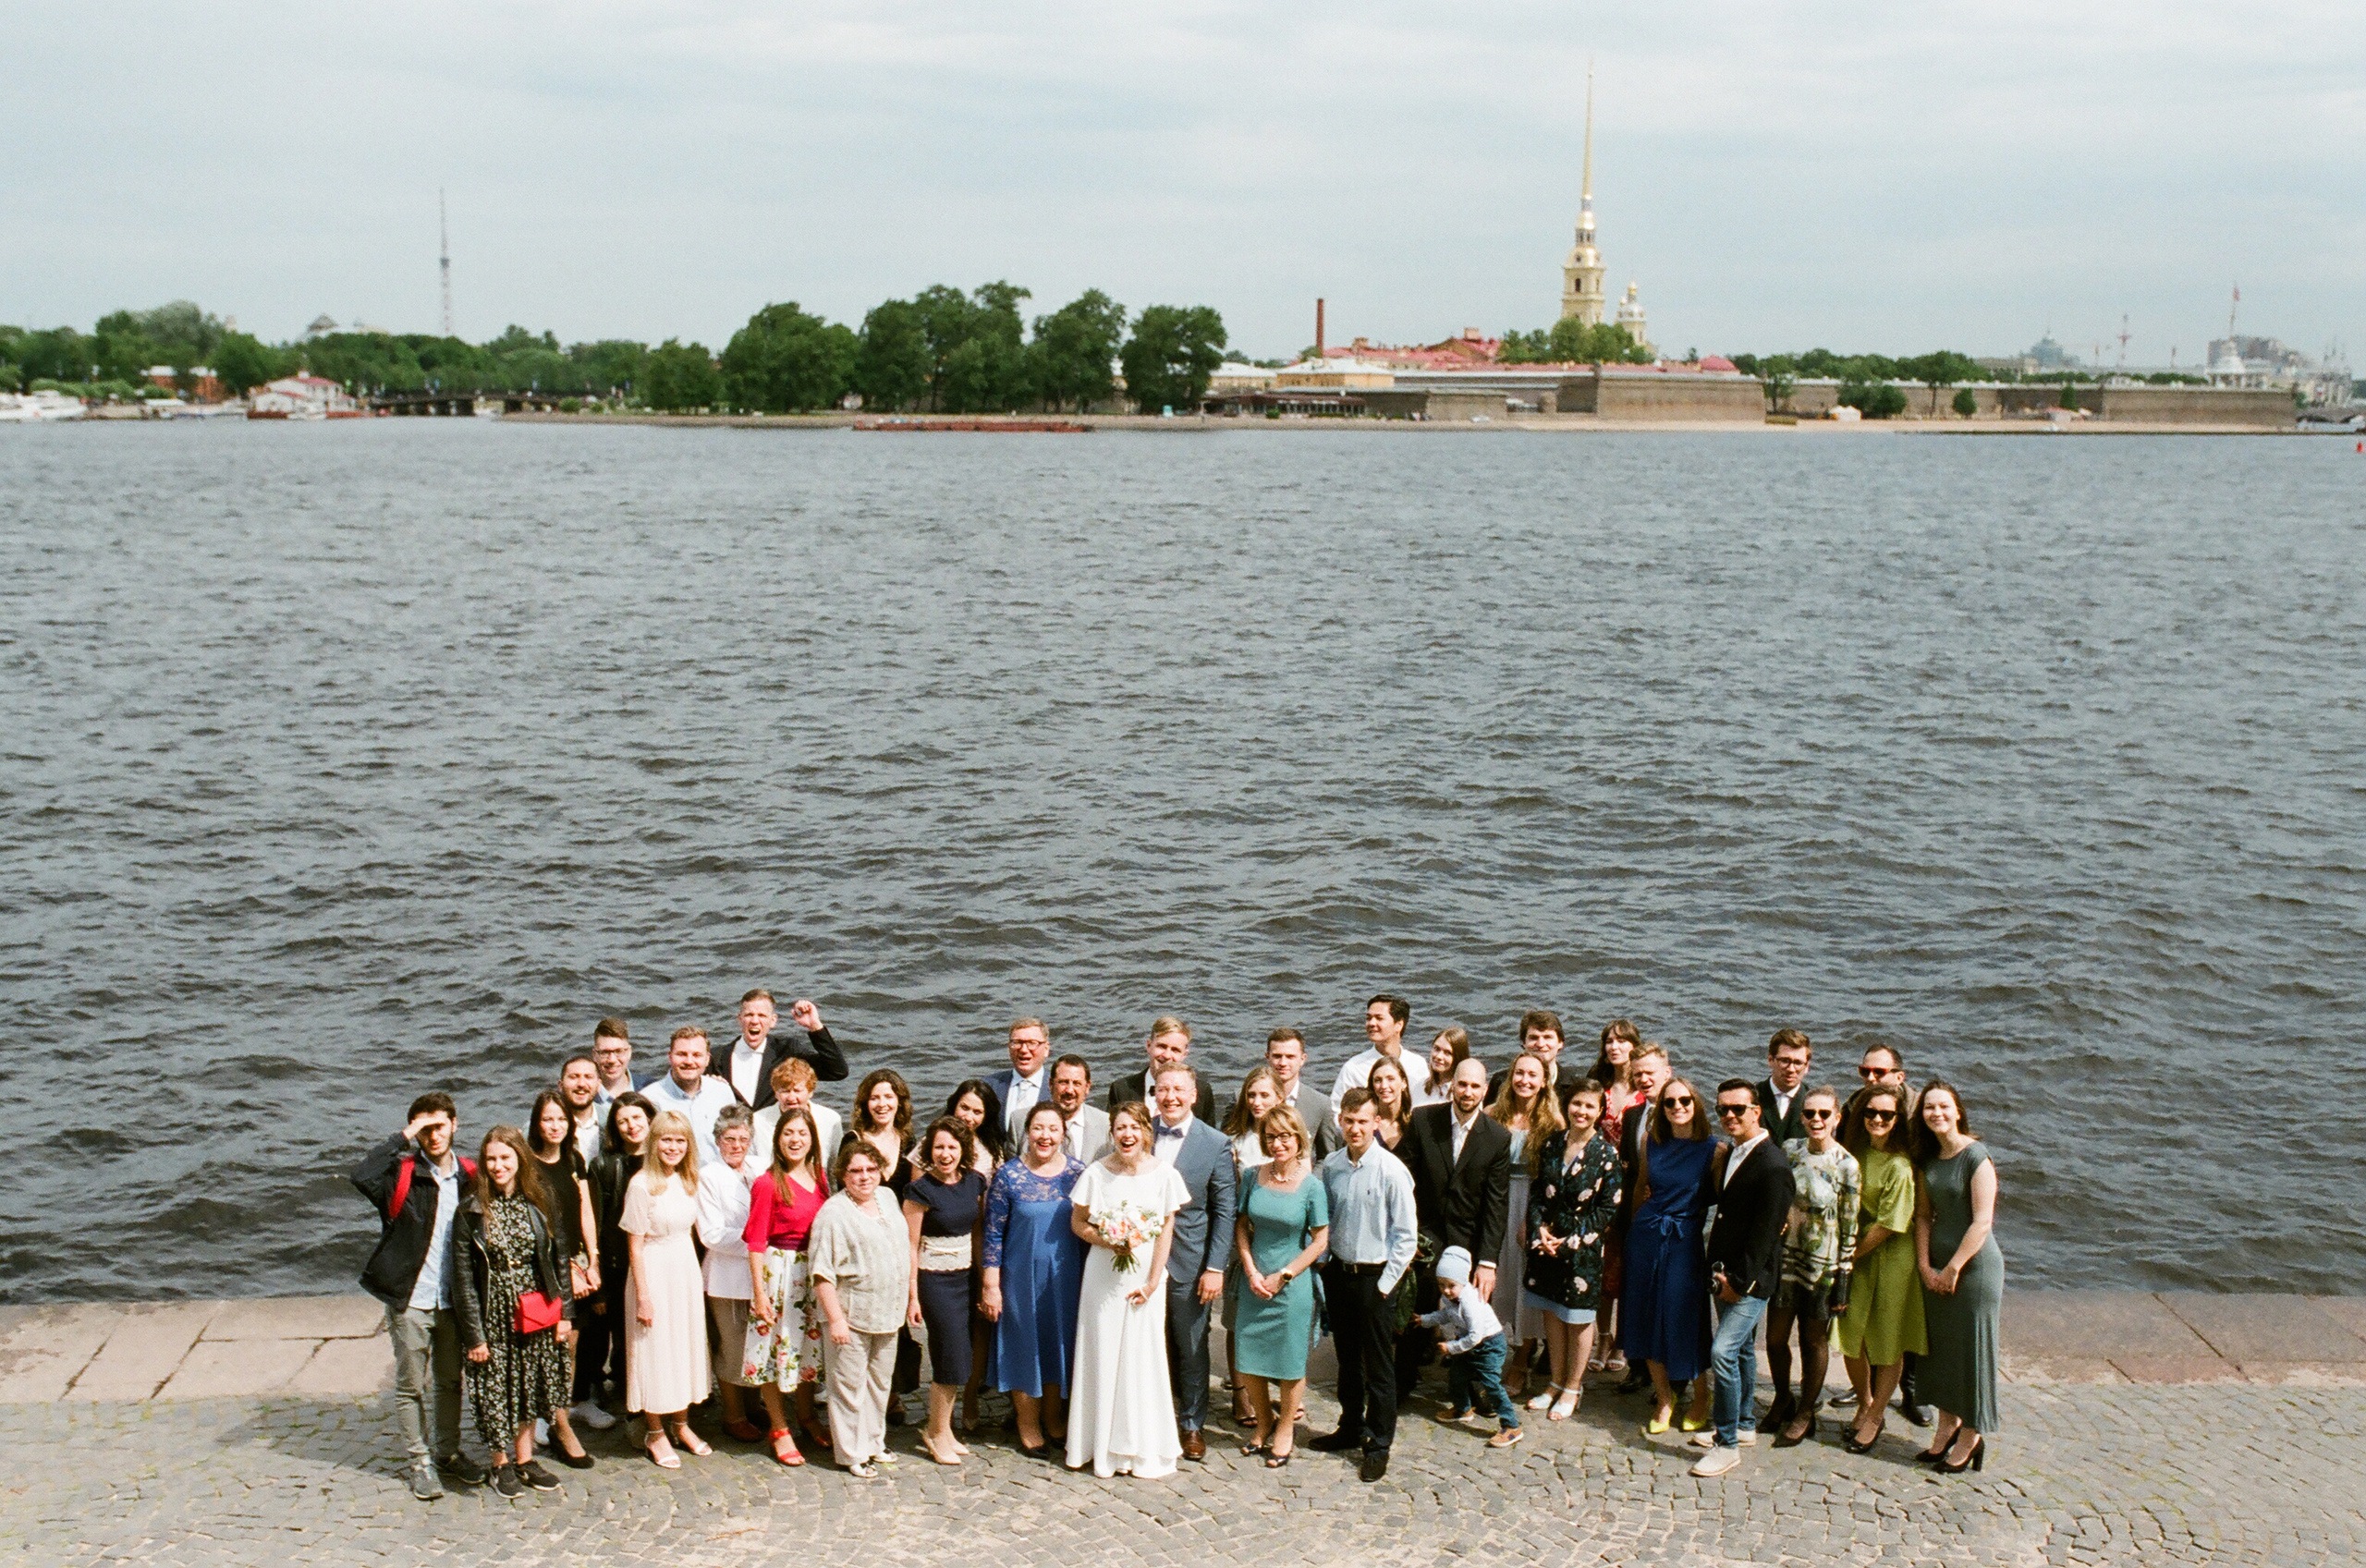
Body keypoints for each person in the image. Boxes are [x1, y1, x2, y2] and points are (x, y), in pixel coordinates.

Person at [350, 1092, 483, 1501]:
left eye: (439, 1126)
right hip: (411, 1298)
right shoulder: (402, 1174)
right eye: (424, 1129)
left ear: (455, 1125)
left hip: (453, 1300)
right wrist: (403, 1136)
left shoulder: (470, 1176)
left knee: (450, 1381)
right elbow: (362, 1174)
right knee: (411, 1385)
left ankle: (448, 1452)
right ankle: (420, 1461)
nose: (433, 1136)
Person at [1066, 1101, 1190, 1478]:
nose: (1127, 1135)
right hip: (1103, 1275)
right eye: (1120, 1128)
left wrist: (1153, 1281)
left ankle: (1142, 1447)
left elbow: (1166, 1230)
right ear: (1112, 1133)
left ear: (1146, 1133)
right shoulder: (1096, 1173)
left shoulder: (1165, 1174)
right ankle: (1099, 1447)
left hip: (1145, 1278)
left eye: (1134, 1127)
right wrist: (1108, 1239)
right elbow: (1078, 1223)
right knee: (1102, 1352)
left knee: (1143, 1355)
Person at [453, 1125, 575, 1498]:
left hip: (535, 1306)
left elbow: (560, 1257)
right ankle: (500, 1462)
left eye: (505, 1157)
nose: (498, 1166)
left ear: (520, 1158)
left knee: (530, 1383)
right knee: (495, 1387)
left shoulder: (540, 1199)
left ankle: (525, 1459)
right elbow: (462, 1277)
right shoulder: (471, 1209)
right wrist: (474, 1335)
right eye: (490, 1159)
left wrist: (565, 1312)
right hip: (493, 1309)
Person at [1689, 1081, 1796, 1478]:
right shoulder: (1733, 1152)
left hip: (1748, 1279)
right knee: (1744, 1350)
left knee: (1723, 1352)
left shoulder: (1773, 1165)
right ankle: (1745, 1424)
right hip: (1723, 1270)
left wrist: (1739, 1281)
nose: (1729, 1116)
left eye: (1738, 1109)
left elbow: (1766, 1235)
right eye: (1723, 1110)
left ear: (1757, 1111)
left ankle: (1727, 1443)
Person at [1312, 1089, 1418, 1484]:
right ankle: (1350, 1426)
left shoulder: (1391, 1170)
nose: (1355, 1128)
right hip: (1340, 1273)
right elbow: (1326, 1219)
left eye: (1363, 1121)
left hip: (1377, 1278)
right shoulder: (1332, 1166)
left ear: (1377, 1123)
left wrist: (1385, 1286)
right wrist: (1324, 1264)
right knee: (1347, 1359)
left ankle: (1378, 1443)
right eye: (1349, 1121)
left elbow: (1406, 1236)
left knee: (1379, 1366)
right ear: (1340, 1121)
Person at [1398, 1057, 1511, 1404]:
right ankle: (1402, 1380)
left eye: (1475, 1086)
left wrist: (1488, 1261)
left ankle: (1474, 1389)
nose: (1468, 1092)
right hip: (1426, 1231)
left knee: (1472, 1314)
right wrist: (1407, 1236)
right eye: (1462, 1084)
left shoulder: (1497, 1137)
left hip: (1469, 1238)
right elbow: (1400, 1179)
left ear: (1485, 1090)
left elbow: (1496, 1204)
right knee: (1417, 1304)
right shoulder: (1423, 1120)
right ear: (1452, 1086)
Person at [982, 1102, 1088, 1456]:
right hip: (1019, 1278)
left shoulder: (1078, 1172)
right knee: (1024, 1345)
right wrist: (991, 1285)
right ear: (1027, 1132)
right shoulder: (1008, 1175)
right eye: (1038, 1128)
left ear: (1063, 1134)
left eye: (1053, 1129)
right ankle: (1027, 1424)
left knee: (1059, 1343)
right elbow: (993, 1234)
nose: (1045, 1136)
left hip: (1065, 1277)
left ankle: (1054, 1419)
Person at [1230, 1104, 1330, 1466]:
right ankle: (1264, 1422)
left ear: (1299, 1138)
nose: (1278, 1143)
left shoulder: (1312, 1186)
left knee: (1290, 1365)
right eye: (1271, 1136)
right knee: (1248, 1360)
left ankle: (1285, 1428)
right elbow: (1242, 1226)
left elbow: (1320, 1241)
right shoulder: (1252, 1177)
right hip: (1254, 1281)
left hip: (1291, 1287)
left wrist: (1284, 1275)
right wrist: (1251, 1270)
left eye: (1285, 1136)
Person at [1910, 1082, 2002, 1473]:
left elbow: (1982, 1222)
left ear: (1958, 1111)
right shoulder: (1929, 1159)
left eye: (1944, 1106)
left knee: (1973, 1351)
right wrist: (1924, 1266)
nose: (1937, 1113)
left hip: (1975, 1270)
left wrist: (1953, 1268)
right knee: (1942, 1350)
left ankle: (1972, 1434)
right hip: (1936, 1266)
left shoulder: (1976, 1156)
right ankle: (1947, 1425)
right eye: (1929, 1107)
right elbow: (1923, 1217)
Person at [808, 1141, 913, 1479]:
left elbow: (903, 1248)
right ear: (843, 1175)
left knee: (879, 1383)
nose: (864, 1177)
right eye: (855, 1171)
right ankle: (851, 1453)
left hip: (887, 1311)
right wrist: (836, 1319)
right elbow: (822, 1273)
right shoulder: (833, 1214)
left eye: (871, 1169)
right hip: (850, 1315)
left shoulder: (888, 1198)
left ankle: (874, 1441)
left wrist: (912, 1298)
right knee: (848, 1386)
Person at [1760, 1085, 1858, 1447]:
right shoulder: (1790, 1150)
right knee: (1774, 1338)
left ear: (1836, 1118)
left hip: (1822, 1263)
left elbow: (1850, 1225)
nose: (1816, 1120)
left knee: (1812, 1340)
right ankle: (1782, 1397)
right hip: (1787, 1256)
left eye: (1824, 1114)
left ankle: (1805, 1412)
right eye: (1809, 1113)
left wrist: (1843, 1278)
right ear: (1801, 1117)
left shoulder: (1847, 1165)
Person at [1145, 1064, 1234, 1462]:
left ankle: (1192, 1423)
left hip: (1190, 1261)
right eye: (1163, 1090)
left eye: (1178, 1090)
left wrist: (1215, 1267)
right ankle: (1151, 1419)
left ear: (1194, 1095)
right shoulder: (1139, 1132)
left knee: (1192, 1345)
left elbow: (1224, 1210)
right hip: (1141, 1258)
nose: (1171, 1097)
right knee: (1146, 1341)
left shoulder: (1215, 1143)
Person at [1833, 1085, 1925, 1454]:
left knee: (1888, 1340)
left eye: (1886, 1115)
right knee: (1850, 1334)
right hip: (1858, 1252)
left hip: (1891, 1258)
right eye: (1871, 1112)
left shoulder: (1900, 1165)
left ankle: (1875, 1415)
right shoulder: (1855, 1153)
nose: (1877, 1120)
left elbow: (1889, 1223)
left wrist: (1849, 1256)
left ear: (1898, 1120)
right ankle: (1865, 1401)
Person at [1523, 1077, 1621, 1421]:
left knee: (1578, 1319)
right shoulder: (1552, 1143)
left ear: (1600, 1111)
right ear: (1567, 1105)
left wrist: (1572, 1239)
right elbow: (1538, 1191)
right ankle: (1555, 1382)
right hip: (1547, 1242)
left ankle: (1573, 1387)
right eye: (1576, 1103)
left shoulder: (1607, 1154)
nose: (1581, 1111)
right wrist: (1540, 1228)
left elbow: (1608, 1209)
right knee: (1552, 1312)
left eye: (1589, 1106)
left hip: (1583, 1249)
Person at [1622, 1076, 1714, 1435]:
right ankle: (1664, 1398)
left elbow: (1727, 1200)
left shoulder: (1714, 1149)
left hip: (1684, 1240)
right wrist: (1633, 1232)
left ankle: (1701, 1395)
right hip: (1646, 1236)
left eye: (1685, 1101)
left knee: (1684, 1318)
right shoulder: (1651, 1141)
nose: (1678, 1107)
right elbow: (1640, 1187)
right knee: (1645, 1315)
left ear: (1696, 1105)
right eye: (1669, 1102)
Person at [740, 1105, 828, 1465]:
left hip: (811, 1271)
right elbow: (755, 1242)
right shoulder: (767, 1182)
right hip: (778, 1272)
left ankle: (806, 1416)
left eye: (802, 1133)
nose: (795, 1140)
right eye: (788, 1133)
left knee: (807, 1347)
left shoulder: (820, 1177)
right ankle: (779, 1427)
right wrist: (760, 1294)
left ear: (812, 1140)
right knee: (773, 1350)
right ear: (777, 1139)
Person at [621, 1110, 710, 1468]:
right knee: (654, 1351)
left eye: (680, 1140)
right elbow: (635, 1246)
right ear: (653, 1142)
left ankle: (682, 1424)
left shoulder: (688, 1180)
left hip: (684, 1270)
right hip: (653, 1271)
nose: (673, 1147)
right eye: (666, 1140)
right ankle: (655, 1432)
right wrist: (643, 1296)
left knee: (682, 1348)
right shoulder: (641, 1184)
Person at [903, 1117, 987, 1465]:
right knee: (948, 1353)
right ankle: (935, 1432)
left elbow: (978, 1233)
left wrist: (984, 1280)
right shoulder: (920, 1191)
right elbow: (909, 1245)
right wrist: (912, 1296)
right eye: (939, 1147)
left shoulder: (974, 1182)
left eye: (952, 1147)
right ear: (929, 1151)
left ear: (963, 1150)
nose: (945, 1154)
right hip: (934, 1280)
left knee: (962, 1355)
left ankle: (945, 1429)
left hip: (966, 1277)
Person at [1854, 1041, 1928, 1426]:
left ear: (1899, 1076)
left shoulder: (1919, 1113)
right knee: (1862, 1328)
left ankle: (1909, 1393)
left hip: (1904, 1231)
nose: (1871, 1078)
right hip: (1869, 1234)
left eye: (1879, 1072)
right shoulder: (1858, 1106)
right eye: (1864, 1071)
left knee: (1898, 1328)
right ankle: (1867, 1395)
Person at [524, 1090, 598, 1465]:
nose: (555, 1126)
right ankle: (548, 1417)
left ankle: (559, 1413)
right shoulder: (528, 1165)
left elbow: (585, 1211)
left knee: (570, 1345)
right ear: (537, 1123)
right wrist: (568, 1267)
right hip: (547, 1267)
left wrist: (593, 1260)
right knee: (547, 1344)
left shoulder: (574, 1159)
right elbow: (538, 1225)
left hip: (579, 1264)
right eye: (547, 1119)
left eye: (561, 1119)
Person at [1484, 1050, 1563, 1399]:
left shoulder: (1552, 1123)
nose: (1525, 1081)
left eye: (1533, 1075)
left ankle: (1521, 1360)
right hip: (1495, 1201)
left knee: (1524, 1283)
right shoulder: (1492, 1115)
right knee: (1493, 1280)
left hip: (1531, 1202)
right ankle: (1487, 1352)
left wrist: (1535, 1220)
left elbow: (1554, 1179)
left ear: (1544, 1082)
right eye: (1519, 1073)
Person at [580, 1091, 652, 1420]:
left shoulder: (665, 1158)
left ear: (650, 1119)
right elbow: (595, 1224)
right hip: (618, 1264)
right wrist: (597, 1282)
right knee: (619, 1335)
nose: (631, 1126)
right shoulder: (604, 1165)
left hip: (658, 1260)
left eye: (637, 1117)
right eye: (623, 1121)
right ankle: (622, 1397)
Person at [1219, 1066, 1284, 1424]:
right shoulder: (1234, 1139)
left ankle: (1278, 1389)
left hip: (1278, 1237)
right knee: (1237, 1317)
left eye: (1264, 1095)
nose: (1257, 1102)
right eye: (1252, 1095)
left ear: (1279, 1098)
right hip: (1242, 1235)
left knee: (1276, 1315)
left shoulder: (1290, 1136)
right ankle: (1240, 1393)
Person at [697, 1103, 762, 1442]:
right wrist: (758, 1241)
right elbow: (711, 1234)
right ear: (718, 1140)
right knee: (733, 1345)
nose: (737, 1146)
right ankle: (733, 1414)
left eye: (743, 1139)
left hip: (761, 1274)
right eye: (729, 1139)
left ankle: (754, 1404)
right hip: (727, 1275)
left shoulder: (760, 1167)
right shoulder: (709, 1175)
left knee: (758, 1341)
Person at [1608, 1042, 1672, 1389]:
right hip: (1633, 1215)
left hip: (1669, 1217)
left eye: (1650, 1073)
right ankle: (1637, 1366)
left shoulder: (1680, 1111)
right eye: (1638, 1075)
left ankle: (1667, 1369)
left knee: (1663, 1295)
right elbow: (1628, 1167)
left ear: (1667, 1073)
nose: (1644, 1079)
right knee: (1632, 1291)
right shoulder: (1632, 1114)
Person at [1418, 1246, 1520, 1448]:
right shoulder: (1450, 1297)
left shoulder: (1470, 1302)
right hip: (1469, 1344)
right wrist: (1423, 1320)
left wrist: (1451, 1347)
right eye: (1441, 1285)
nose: (1446, 1290)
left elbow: (1476, 1336)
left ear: (1463, 1282)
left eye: (1451, 1285)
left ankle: (1511, 1425)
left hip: (1489, 1344)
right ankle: (1462, 1408)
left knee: (1491, 1384)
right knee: (1457, 1376)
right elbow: (1446, 1315)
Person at [716, 988, 848, 1106]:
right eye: (749, 1015)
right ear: (740, 1019)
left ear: (773, 1021)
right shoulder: (717, 1057)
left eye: (762, 1015)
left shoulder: (787, 1051)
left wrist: (814, 1026)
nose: (755, 1021)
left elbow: (836, 1071)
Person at [643, 1027, 737, 1167]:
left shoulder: (722, 1091)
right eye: (682, 1054)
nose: (689, 1061)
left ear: (707, 1059)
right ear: (670, 1056)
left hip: (718, 1176)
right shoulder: (650, 1099)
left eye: (697, 1055)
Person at [1105, 1015, 1218, 1123]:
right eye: (1162, 1046)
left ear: (1184, 1054)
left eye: (1175, 1050)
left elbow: (1208, 1134)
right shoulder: (1121, 1090)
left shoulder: (1202, 1091)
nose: (1167, 1055)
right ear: (1149, 1046)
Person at [1330, 994, 1414, 1125]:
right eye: (1368, 1018)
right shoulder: (1354, 1067)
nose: (1371, 1023)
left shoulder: (1417, 1064)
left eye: (1379, 1018)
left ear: (1399, 1025)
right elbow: (1335, 1113)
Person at [751, 1057, 843, 1174]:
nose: (791, 1098)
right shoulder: (757, 1121)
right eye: (785, 1091)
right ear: (776, 1093)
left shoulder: (830, 1120)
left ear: (810, 1091)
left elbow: (836, 1168)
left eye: (797, 1091)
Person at [982, 1016, 1054, 1152]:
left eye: (1032, 1043)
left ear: (1046, 1049)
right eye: (1017, 1042)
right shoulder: (989, 1086)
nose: (1024, 1049)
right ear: (1009, 1047)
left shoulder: (1059, 1088)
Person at [1262, 1027, 1338, 1157]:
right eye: (1277, 1056)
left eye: (1290, 1057)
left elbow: (1327, 1157)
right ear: (1267, 1057)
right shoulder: (1245, 1099)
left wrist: (1306, 1171)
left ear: (1302, 1059)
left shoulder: (1320, 1104)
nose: (1283, 1063)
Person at [845, 1067, 914, 1196]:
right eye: (874, 1098)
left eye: (888, 1097)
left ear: (899, 1101)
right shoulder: (853, 1140)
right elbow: (843, 1189)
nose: (882, 1104)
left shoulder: (907, 1141)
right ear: (866, 1104)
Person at [1487, 1009, 1567, 1100]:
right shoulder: (1500, 1082)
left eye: (1547, 1037)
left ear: (1560, 1042)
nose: (1540, 1044)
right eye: (1533, 1038)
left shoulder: (1572, 1086)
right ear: (1523, 1043)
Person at [1754, 1029, 1813, 1147]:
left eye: (1798, 1063)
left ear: (1807, 1066)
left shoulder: (1814, 1104)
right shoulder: (1752, 1097)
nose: (1791, 1069)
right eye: (1785, 1061)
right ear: (1770, 1060)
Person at [1048, 1054, 1110, 1163]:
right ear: (1051, 1084)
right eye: (1063, 1082)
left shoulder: (1107, 1124)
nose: (1069, 1090)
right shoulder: (1022, 1122)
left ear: (1087, 1087)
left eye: (1077, 1083)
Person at [1586, 1020, 1643, 1132]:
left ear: (1634, 1046)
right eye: (1609, 1042)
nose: (1614, 1047)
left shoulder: (1645, 1083)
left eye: (1621, 1041)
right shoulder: (1597, 1080)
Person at [943, 1079, 1005, 1172]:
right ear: (954, 1105)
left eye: (977, 1112)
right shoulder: (932, 1142)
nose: (968, 1117)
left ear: (986, 1117)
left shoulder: (993, 1150)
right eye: (964, 1108)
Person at [590, 1019, 639, 1128]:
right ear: (595, 1055)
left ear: (629, 1052)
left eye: (618, 1051)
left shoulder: (649, 1089)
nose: (612, 1060)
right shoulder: (586, 1097)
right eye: (604, 1052)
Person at [557, 1054, 604, 1165]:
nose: (581, 1084)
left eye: (588, 1077)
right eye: (574, 1077)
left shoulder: (612, 1119)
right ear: (560, 1086)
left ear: (599, 1085)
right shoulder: (542, 1125)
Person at [1367, 1056, 1414, 1150]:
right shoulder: (1367, 1125)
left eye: (1390, 1079)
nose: (1384, 1086)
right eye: (1378, 1080)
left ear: (1404, 1083)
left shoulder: (1414, 1124)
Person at [1417, 1026, 1470, 1108]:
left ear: (1458, 1057)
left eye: (1447, 1053)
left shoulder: (1466, 1095)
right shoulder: (1419, 1086)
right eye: (1436, 1049)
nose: (1439, 1056)